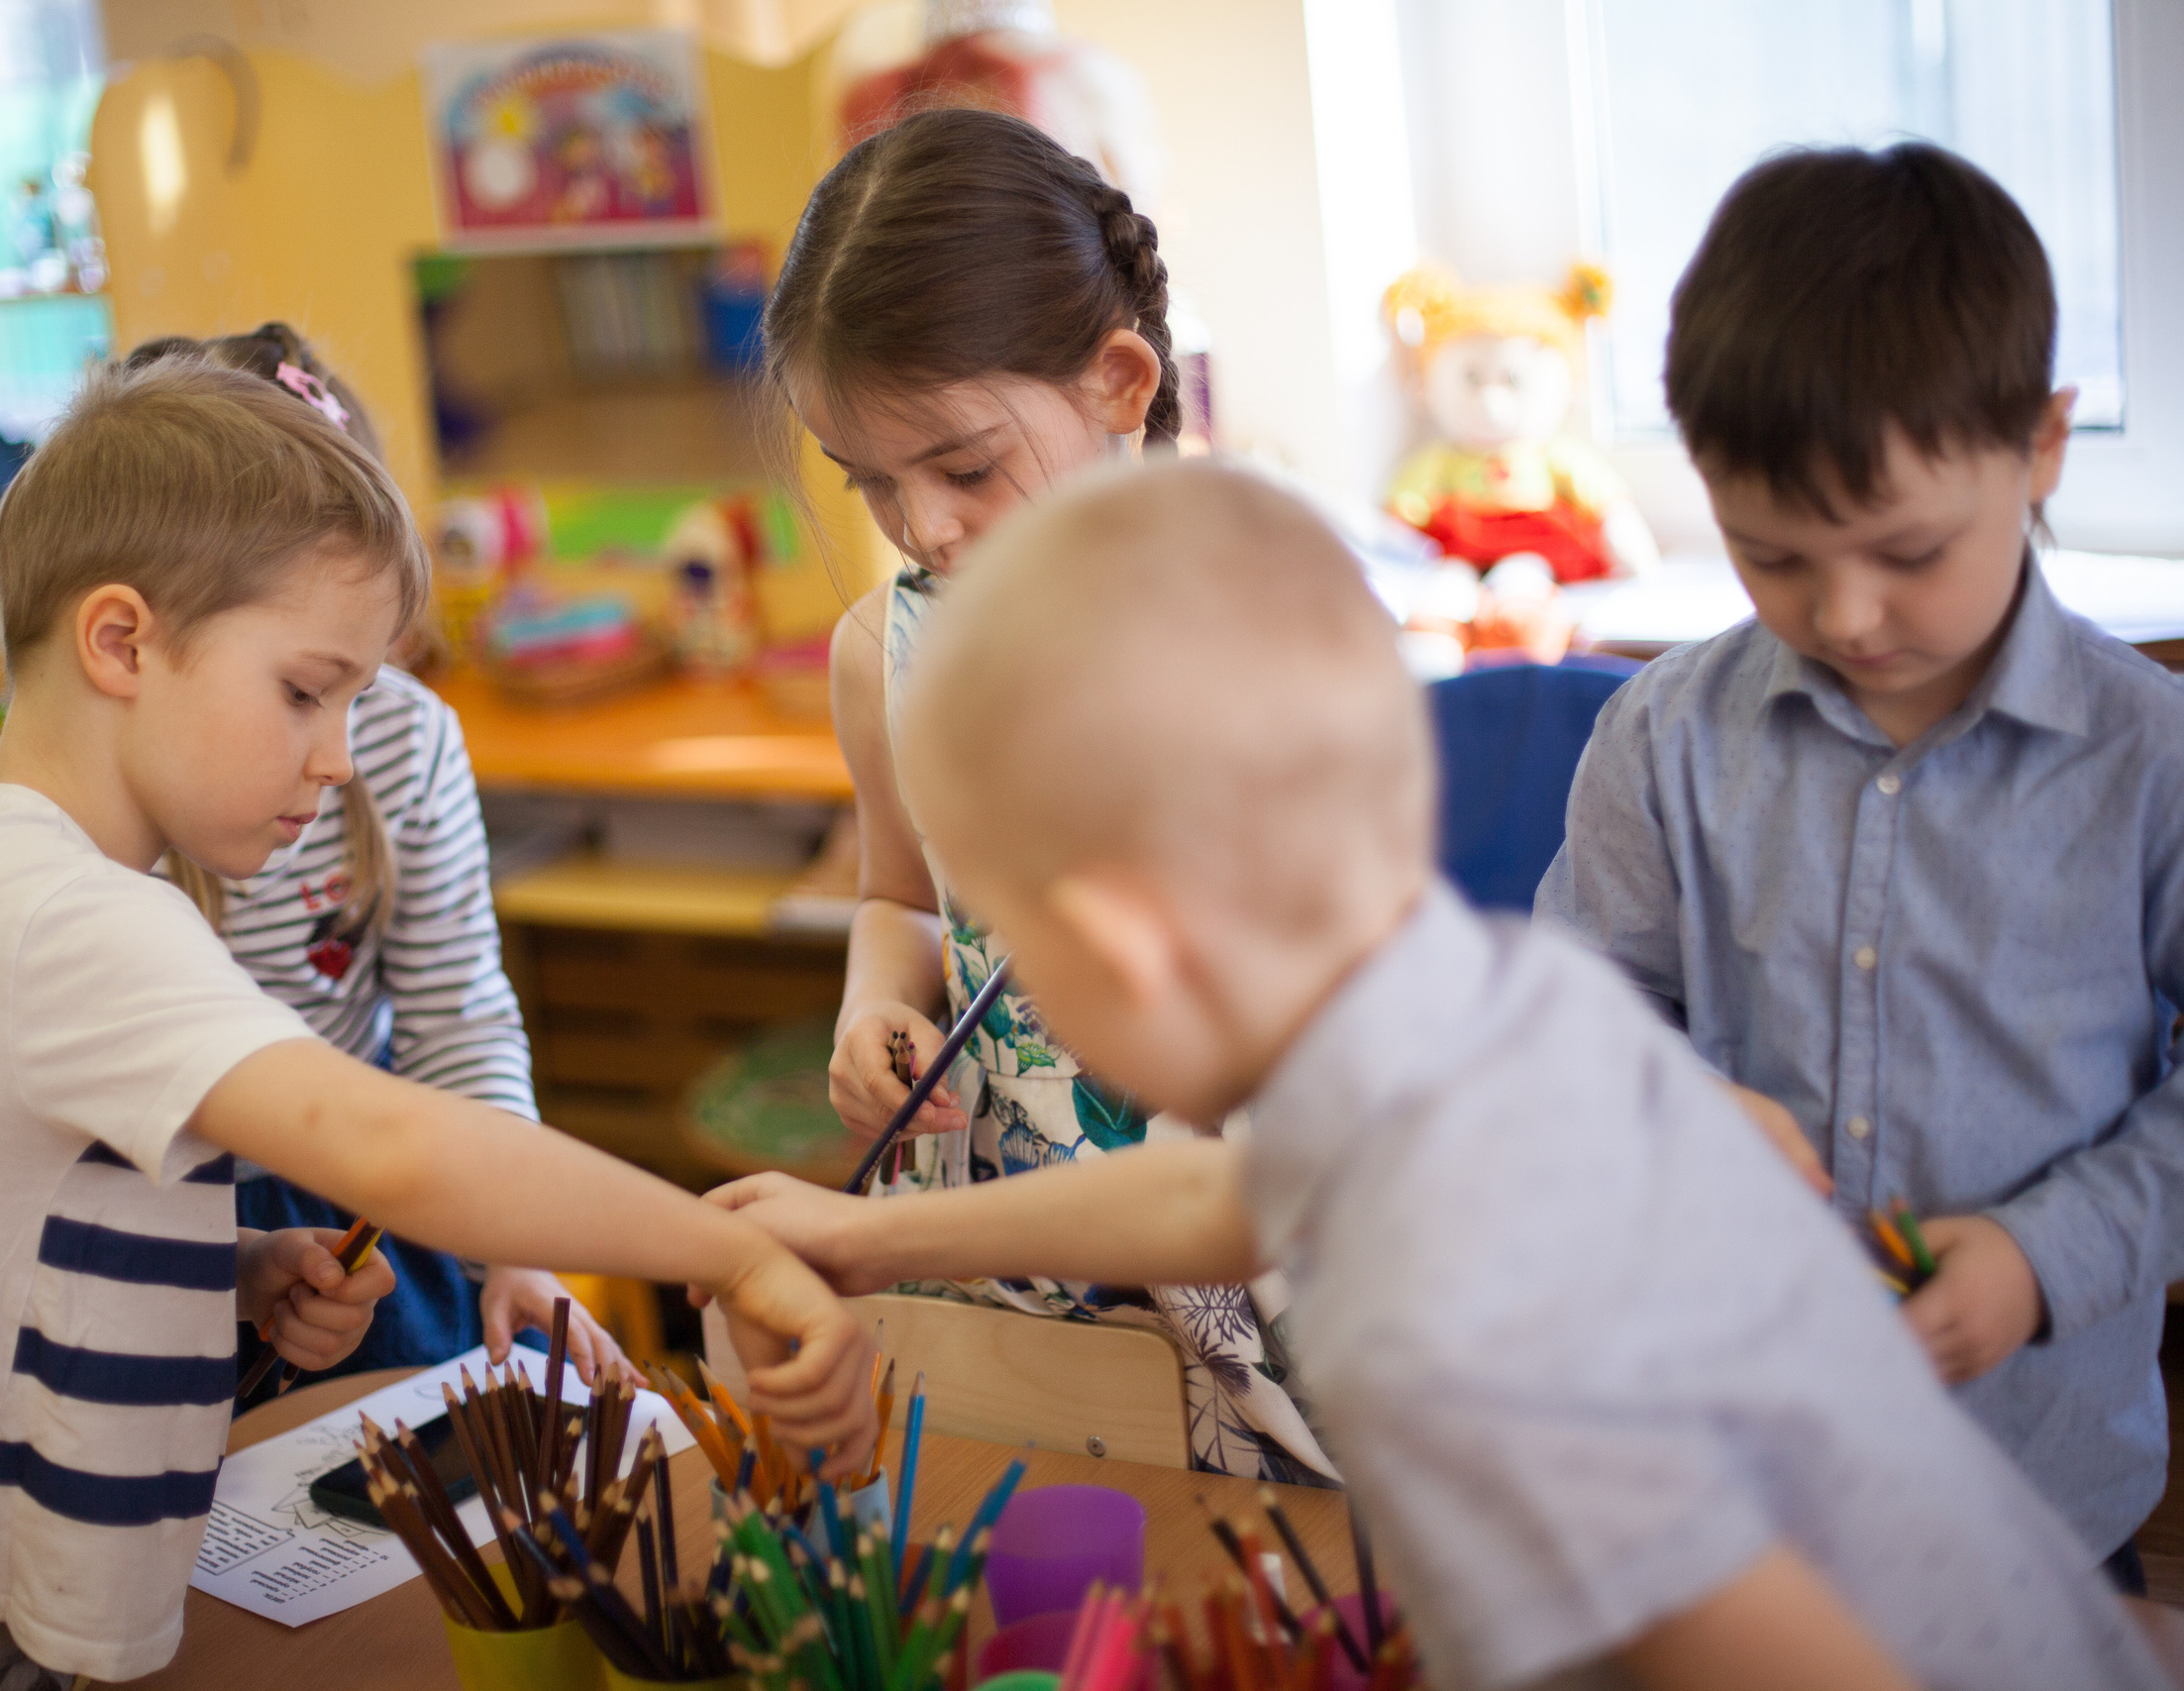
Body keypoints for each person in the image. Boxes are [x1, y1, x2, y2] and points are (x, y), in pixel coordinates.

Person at [706, 461, 2170, 1691]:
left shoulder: (1445, 1310)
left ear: (1118, 948)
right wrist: (864, 1231)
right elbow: (1230, 1194)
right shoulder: (1490, 999)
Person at [0, 358, 873, 1691]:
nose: (335, 758)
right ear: (120, 642)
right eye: (305, 691)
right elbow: (389, 1140)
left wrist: (237, 1266)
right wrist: (727, 1254)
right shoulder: (78, 920)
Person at [1532, 143, 2184, 1590]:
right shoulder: (1661, 733)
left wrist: (2044, 1254)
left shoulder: (2152, 757)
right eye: (1773, 557)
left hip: (2042, 1500)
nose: (1847, 612)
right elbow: (1571, 1014)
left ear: (2044, 446)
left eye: (1909, 549)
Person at [773, 101, 1335, 1484]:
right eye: (874, 484)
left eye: (963, 467)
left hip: (1245, 1278)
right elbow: (899, 892)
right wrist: (875, 999)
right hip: (999, 1255)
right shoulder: (884, 651)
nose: (926, 527)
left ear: (1120, 381)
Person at [0, 322, 624, 1397]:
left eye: (355, 686)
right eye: (298, 689)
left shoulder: (407, 744)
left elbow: (455, 1012)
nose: (335, 747)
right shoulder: (81, 802)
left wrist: (511, 1238)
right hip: (158, 1213)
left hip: (364, 1203)